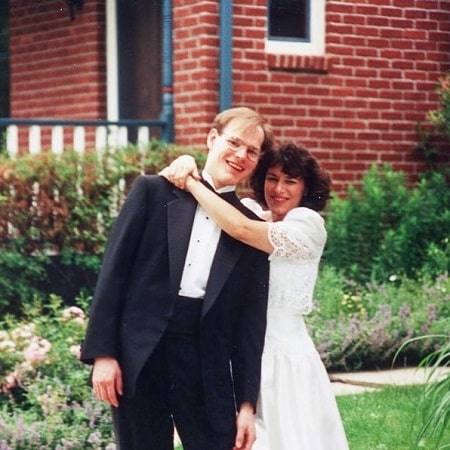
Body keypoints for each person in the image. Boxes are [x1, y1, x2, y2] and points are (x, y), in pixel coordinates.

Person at [80, 107, 274, 450]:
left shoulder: (250, 229)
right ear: (212, 139)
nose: (241, 155)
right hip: (140, 356)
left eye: (252, 150)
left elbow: (250, 325)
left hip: (204, 362)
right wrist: (103, 355)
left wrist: (246, 405)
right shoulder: (153, 192)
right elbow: (114, 273)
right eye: (234, 142)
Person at [160, 142, 350, 450]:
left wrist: (192, 182)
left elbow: (241, 230)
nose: (279, 188)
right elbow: (219, 206)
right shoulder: (256, 214)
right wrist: (186, 163)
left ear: (307, 188)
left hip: (283, 355)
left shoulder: (307, 225)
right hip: (240, 352)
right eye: (272, 178)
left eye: (291, 181)